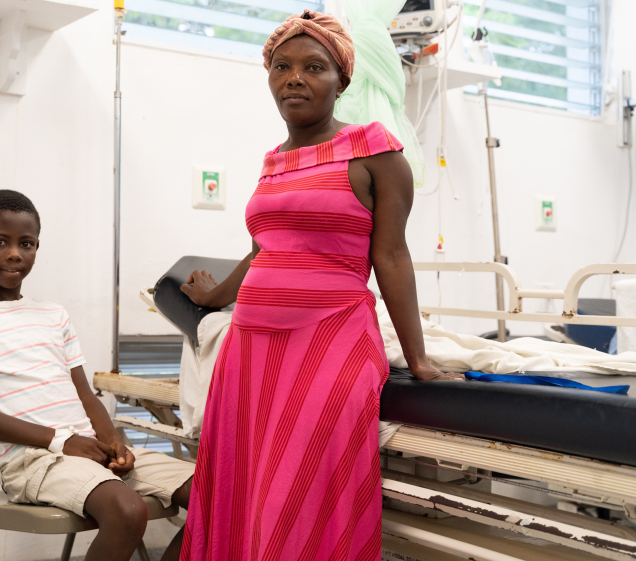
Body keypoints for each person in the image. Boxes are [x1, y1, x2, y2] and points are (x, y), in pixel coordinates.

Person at [178, 10, 461, 561]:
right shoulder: (274, 161)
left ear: (342, 80)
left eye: (314, 67)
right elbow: (266, 247)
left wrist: (416, 357)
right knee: (248, 492)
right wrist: (216, 298)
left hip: (330, 342)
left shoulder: (373, 149)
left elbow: (393, 256)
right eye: (282, 67)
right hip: (250, 349)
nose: (295, 79)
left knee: (301, 492)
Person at [0, 190, 194, 561]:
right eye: (0, 242)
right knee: (128, 510)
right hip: (31, 460)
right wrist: (60, 442)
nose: (15, 253)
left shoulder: (53, 315)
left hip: (88, 450)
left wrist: (114, 441)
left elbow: (84, 394)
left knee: (215, 496)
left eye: (27, 243)